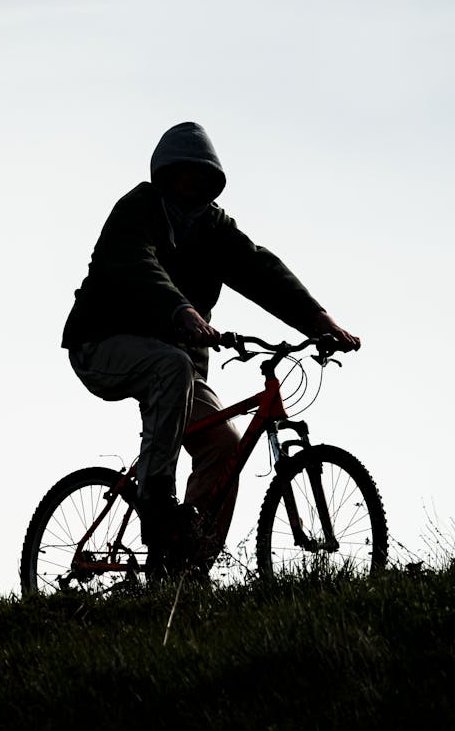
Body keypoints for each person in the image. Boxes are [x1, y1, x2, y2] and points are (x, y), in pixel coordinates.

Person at [61, 122, 361, 578]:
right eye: (185, 175)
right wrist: (180, 309)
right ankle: (156, 499)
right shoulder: (137, 209)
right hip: (102, 343)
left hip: (174, 364)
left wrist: (319, 321)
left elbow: (261, 270)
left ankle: (187, 567)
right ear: (165, 175)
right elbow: (136, 264)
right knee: (173, 365)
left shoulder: (213, 227)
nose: (194, 186)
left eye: (203, 178)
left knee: (225, 444)